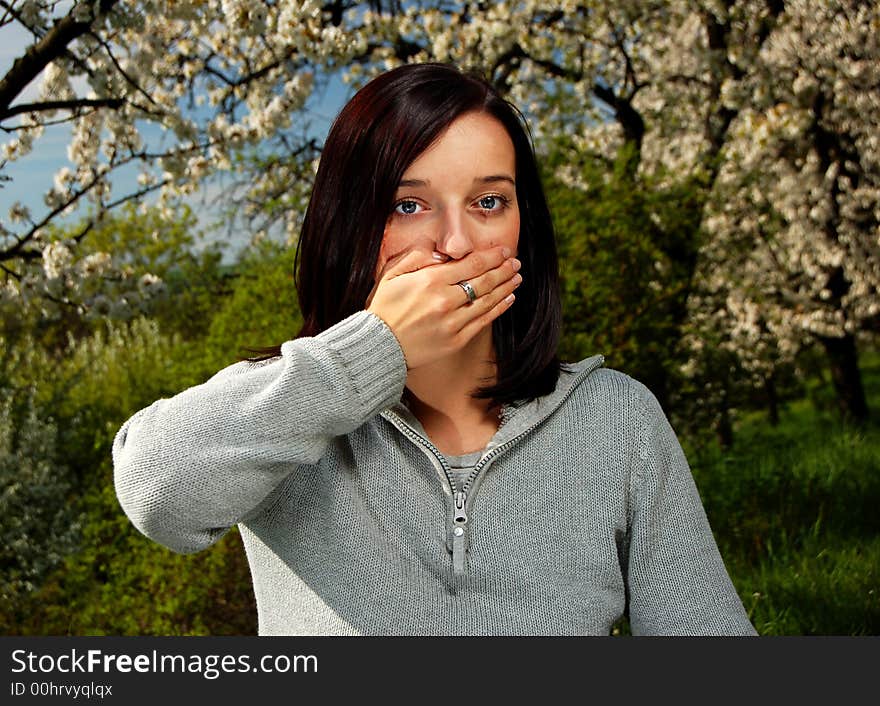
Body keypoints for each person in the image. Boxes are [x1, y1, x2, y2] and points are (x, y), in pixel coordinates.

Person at [112, 62, 757, 636]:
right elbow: (155, 490)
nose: (454, 242)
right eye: (409, 205)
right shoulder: (289, 402)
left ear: (520, 227)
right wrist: (375, 349)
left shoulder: (615, 420)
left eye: (487, 201)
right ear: (351, 222)